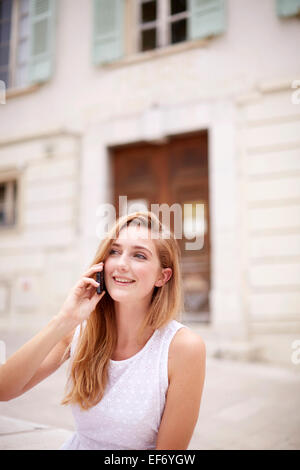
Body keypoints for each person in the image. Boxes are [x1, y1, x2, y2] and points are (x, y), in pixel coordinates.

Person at [0, 211, 206, 450]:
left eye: (139, 255)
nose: (121, 264)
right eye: (115, 251)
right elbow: (4, 389)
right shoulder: (79, 330)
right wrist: (64, 320)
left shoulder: (183, 348)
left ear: (163, 276)